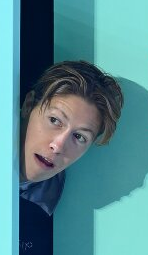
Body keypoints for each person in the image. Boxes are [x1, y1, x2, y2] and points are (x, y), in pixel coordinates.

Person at [19, 60, 124, 216]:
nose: (58, 146)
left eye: (79, 136)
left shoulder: (46, 204)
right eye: (54, 120)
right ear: (28, 105)